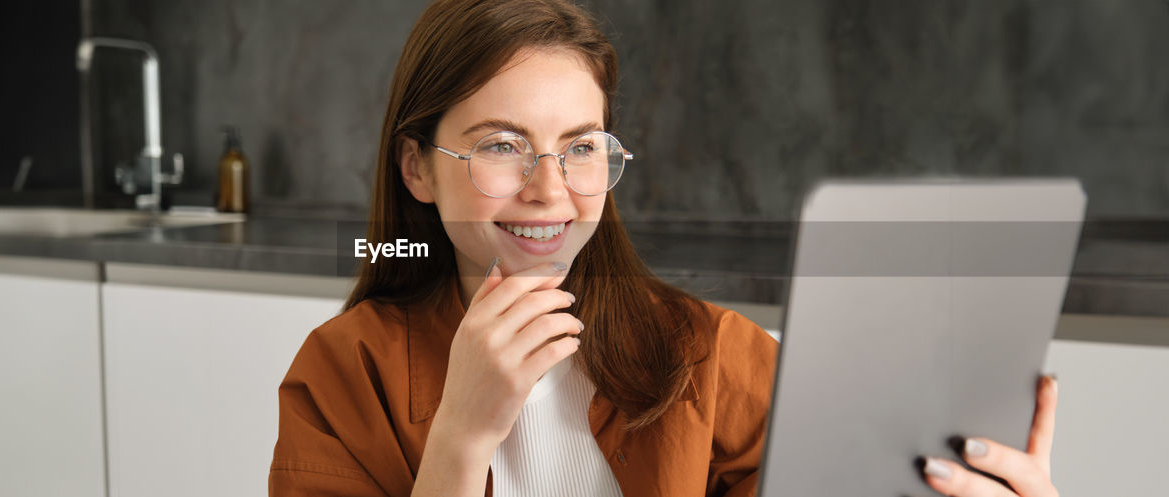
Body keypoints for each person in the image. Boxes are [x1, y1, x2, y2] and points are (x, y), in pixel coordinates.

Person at [269, 1, 1062, 496]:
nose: (550, 190)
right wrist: (461, 437)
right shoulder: (342, 375)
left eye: (581, 147)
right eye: (502, 145)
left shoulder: (705, 352)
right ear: (418, 168)